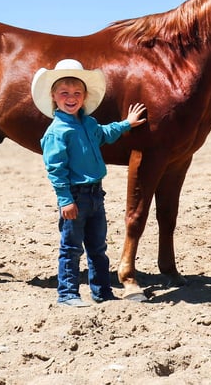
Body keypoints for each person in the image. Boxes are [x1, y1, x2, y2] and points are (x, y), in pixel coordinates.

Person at [31, 58, 147, 307]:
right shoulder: (56, 132)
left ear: (84, 96)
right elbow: (55, 169)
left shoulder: (89, 123)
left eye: (77, 93)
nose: (71, 97)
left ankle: (102, 291)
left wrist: (127, 123)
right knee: (71, 248)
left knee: (98, 247)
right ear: (54, 96)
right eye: (64, 93)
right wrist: (65, 200)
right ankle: (68, 293)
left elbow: (105, 134)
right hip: (75, 196)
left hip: (96, 195)